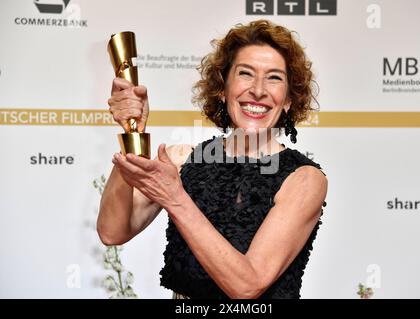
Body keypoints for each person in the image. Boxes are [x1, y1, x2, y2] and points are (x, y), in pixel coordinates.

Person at [97, 19, 328, 299]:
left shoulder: (304, 179)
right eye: (245, 73)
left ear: (289, 99)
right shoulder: (183, 161)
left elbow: (247, 285)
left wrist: (176, 199)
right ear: (222, 88)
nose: (258, 89)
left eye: (274, 77)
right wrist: (132, 130)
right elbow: (112, 232)